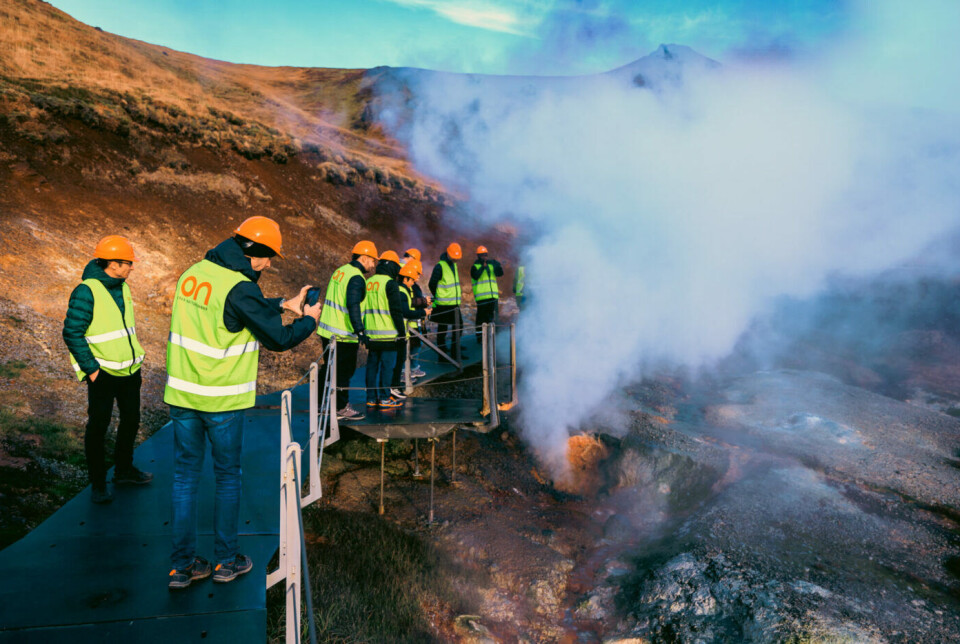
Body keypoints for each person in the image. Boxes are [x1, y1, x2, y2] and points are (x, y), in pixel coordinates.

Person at [165, 216, 320, 590]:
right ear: (252, 252)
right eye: (267, 258)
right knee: (227, 479)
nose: (269, 265)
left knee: (185, 478)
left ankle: (182, 567)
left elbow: (233, 307)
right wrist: (309, 320)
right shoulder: (240, 286)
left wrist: (283, 303)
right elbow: (279, 339)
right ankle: (226, 560)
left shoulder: (196, 272)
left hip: (183, 396)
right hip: (221, 400)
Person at [63, 235, 152, 505]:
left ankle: (124, 471)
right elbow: (72, 332)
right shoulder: (86, 291)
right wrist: (92, 370)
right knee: (98, 427)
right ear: (112, 264)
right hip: (103, 374)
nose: (132, 267)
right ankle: (98, 484)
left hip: (129, 371)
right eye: (128, 262)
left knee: (130, 421)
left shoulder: (122, 286)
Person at [316, 240, 378, 420]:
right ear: (364, 258)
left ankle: (321, 405)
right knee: (343, 373)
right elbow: (353, 305)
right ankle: (341, 407)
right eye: (372, 260)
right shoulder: (357, 277)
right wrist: (360, 331)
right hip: (343, 335)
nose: (373, 265)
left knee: (328, 369)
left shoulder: (340, 271)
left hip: (328, 332)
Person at [363, 251, 410, 408]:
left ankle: (370, 398)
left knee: (372, 367)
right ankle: (384, 399)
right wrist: (402, 333)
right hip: (389, 336)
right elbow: (396, 311)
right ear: (393, 267)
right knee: (387, 368)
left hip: (371, 334)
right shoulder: (391, 284)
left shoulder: (368, 282)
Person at [390, 259, 432, 399]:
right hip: (405, 325)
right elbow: (408, 307)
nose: (417, 278)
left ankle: (409, 370)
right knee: (405, 352)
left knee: (412, 348)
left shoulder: (406, 286)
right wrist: (423, 307)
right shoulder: (403, 288)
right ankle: (403, 375)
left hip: (409, 324)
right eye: (416, 275)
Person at [428, 243, 463, 359]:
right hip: (443, 304)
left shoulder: (454, 265)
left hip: (454, 304)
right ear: (448, 254)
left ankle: (455, 354)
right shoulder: (440, 266)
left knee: (458, 327)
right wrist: (438, 296)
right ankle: (442, 356)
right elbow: (432, 284)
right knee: (442, 330)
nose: (456, 260)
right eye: (454, 257)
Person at [470, 245, 504, 343]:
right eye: (482, 255)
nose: (484, 257)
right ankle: (480, 338)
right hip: (482, 297)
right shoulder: (475, 267)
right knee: (481, 319)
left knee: (491, 318)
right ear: (478, 256)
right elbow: (476, 276)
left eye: (485, 255)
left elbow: (500, 273)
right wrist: (483, 268)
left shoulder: (490, 265)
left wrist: (498, 265)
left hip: (493, 297)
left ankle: (491, 336)